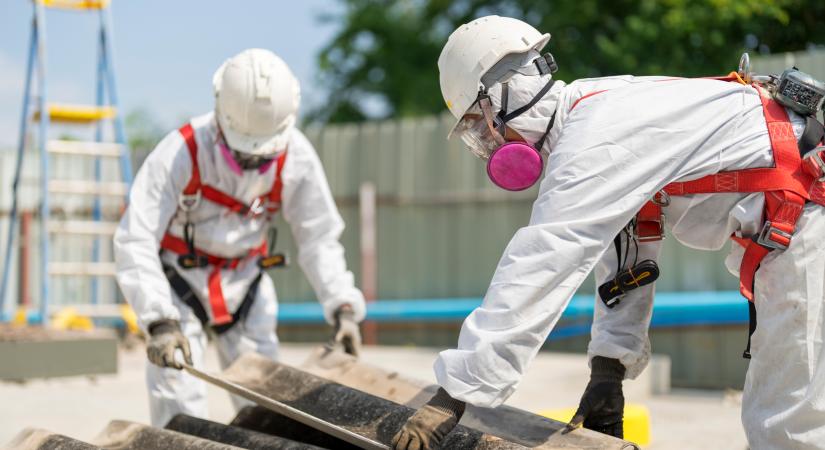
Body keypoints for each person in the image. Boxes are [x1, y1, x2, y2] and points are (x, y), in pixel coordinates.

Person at [392, 15, 825, 450]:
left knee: (787, 431)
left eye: (478, 127)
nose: (489, 145)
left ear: (502, 98)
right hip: (797, 226)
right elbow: (630, 251)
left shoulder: (594, 137)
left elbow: (543, 260)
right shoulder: (592, 114)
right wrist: (608, 373)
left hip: (809, 222)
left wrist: (453, 397)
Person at [114, 48, 366, 427]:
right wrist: (159, 320)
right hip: (178, 287)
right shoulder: (182, 152)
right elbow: (136, 237)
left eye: (262, 157)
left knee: (266, 403)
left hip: (246, 286)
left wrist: (343, 307)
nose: (252, 164)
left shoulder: (295, 156)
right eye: (243, 155)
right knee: (179, 403)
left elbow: (319, 238)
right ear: (219, 115)